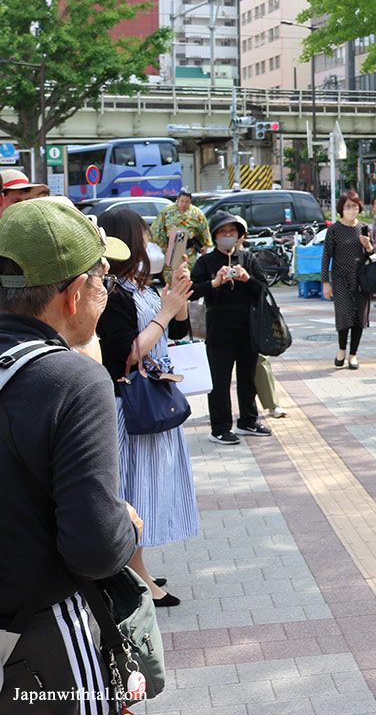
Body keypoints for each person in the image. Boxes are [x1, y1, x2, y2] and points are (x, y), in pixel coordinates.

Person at [0, 196, 141, 711]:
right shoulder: (73, 381)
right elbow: (96, 549)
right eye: (102, 277)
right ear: (75, 293)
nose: (107, 289)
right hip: (40, 639)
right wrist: (126, 524)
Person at [95, 209, 197, 608]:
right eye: (143, 234)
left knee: (146, 487)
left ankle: (141, 569)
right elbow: (124, 353)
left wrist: (177, 294)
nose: (151, 241)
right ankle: (137, 578)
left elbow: (181, 332)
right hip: (132, 406)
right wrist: (165, 310)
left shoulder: (142, 286)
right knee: (134, 491)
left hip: (154, 400)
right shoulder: (111, 293)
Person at [190, 210, 273, 443]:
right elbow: (193, 291)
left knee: (247, 377)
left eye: (232, 232)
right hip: (218, 331)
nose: (228, 236)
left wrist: (247, 279)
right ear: (215, 236)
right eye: (223, 232)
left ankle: (248, 420)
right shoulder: (206, 262)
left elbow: (264, 291)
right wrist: (214, 282)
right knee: (220, 381)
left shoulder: (248, 259)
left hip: (248, 329)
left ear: (239, 235)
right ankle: (220, 427)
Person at [322, 192, 375, 367]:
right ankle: (341, 349)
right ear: (341, 209)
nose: (352, 209)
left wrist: (368, 246)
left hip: (361, 278)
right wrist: (325, 283)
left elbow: (372, 255)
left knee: (359, 317)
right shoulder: (334, 230)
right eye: (348, 206)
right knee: (344, 315)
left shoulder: (364, 227)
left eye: (355, 206)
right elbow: (326, 257)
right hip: (340, 278)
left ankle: (353, 354)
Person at [149, 188, 212, 285]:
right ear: (178, 199)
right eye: (182, 201)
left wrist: (205, 244)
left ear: (190, 201)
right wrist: (162, 247)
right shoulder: (167, 211)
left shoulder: (196, 213)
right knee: (171, 275)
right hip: (172, 247)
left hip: (190, 249)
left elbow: (204, 230)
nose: (184, 204)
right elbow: (157, 229)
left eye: (187, 202)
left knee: (190, 275)